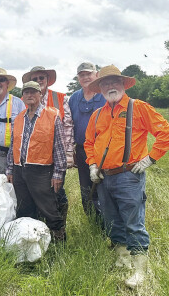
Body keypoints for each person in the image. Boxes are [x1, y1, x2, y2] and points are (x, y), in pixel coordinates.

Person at [84, 65, 169, 288]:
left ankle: (140, 270)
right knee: (112, 221)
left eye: (114, 81)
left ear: (123, 84)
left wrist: (149, 159)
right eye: (105, 83)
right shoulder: (97, 115)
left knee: (133, 223)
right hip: (104, 178)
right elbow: (88, 142)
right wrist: (92, 165)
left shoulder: (139, 108)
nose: (110, 86)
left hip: (128, 176)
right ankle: (122, 259)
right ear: (100, 88)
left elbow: (166, 133)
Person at [6, 81, 67, 242]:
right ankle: (30, 243)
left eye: (33, 92)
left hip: (42, 171)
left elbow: (60, 147)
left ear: (41, 95)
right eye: (26, 92)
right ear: (22, 96)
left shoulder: (53, 115)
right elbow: (13, 146)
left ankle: (58, 243)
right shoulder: (18, 119)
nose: (30, 95)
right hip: (20, 171)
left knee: (49, 208)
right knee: (24, 208)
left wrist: (58, 173)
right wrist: (10, 170)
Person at [22, 65, 74, 226]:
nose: (39, 81)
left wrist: (68, 154)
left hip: (57, 156)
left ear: (47, 80)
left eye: (41, 78)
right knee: (37, 192)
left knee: (56, 192)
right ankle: (41, 227)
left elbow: (68, 127)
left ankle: (58, 227)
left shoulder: (61, 98)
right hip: (37, 158)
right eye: (35, 79)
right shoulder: (26, 100)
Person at [68, 62, 105, 221]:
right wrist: (72, 150)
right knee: (85, 187)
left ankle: (107, 221)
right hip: (82, 149)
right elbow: (69, 124)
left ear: (96, 75)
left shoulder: (105, 95)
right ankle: (92, 220)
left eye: (89, 73)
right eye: (82, 75)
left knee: (103, 186)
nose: (86, 77)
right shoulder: (74, 98)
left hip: (103, 150)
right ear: (78, 78)